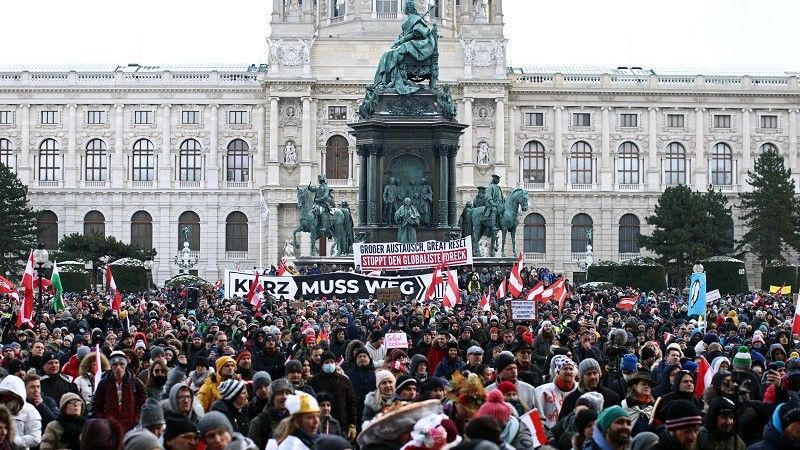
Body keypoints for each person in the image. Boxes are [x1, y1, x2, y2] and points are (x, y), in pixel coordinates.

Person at [372, 0, 436, 95]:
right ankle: (384, 81)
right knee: (387, 55)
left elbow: (418, 33)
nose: (403, 9)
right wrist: (401, 39)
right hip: (411, 45)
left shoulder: (415, 19)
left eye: (404, 6)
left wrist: (402, 40)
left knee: (394, 53)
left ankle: (393, 81)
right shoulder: (411, 19)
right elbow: (407, 34)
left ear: (408, 7)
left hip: (420, 45)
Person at [93, 351, 147, 433]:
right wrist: (103, 422)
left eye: (121, 364)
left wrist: (136, 419)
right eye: (115, 364)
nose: (118, 367)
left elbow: (143, 404)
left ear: (125, 365)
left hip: (131, 428)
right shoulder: (104, 383)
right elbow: (97, 406)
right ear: (111, 366)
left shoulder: (135, 383)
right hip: (110, 429)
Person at [306, 352, 356, 440]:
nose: (330, 364)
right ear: (322, 364)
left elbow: (351, 401)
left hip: (342, 424)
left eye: (331, 362)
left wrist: (352, 423)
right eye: (327, 362)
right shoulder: (313, 381)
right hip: (320, 425)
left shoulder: (344, 380)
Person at [248, 378, 294, 450]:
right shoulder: (259, 422)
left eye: (287, 393)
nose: (284, 397)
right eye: (280, 393)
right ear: (272, 398)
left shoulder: (297, 419)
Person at [0, 375, 41, 450]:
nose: (6, 397)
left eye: (10, 395)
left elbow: (35, 438)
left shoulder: (29, 410)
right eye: (4, 394)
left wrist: (11, 439)